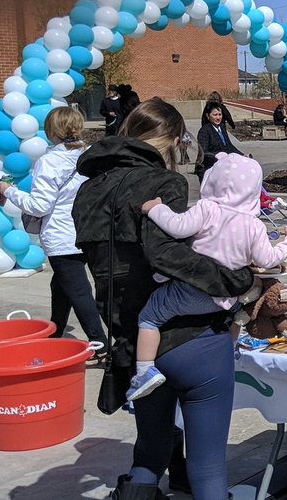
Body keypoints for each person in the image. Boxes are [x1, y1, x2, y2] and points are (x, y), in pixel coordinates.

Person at [72, 98, 254, 500]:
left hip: (134, 341)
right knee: (208, 465)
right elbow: (164, 255)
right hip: (190, 340)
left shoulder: (87, 191)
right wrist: (236, 279)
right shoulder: (163, 183)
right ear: (171, 140)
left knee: (148, 454)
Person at [129, 153, 287, 402]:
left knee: (149, 317)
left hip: (190, 291)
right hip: (229, 298)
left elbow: (176, 226)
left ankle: (144, 371)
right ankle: (228, 352)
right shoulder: (253, 225)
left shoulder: (206, 209)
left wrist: (155, 208)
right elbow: (268, 260)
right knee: (236, 317)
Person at [0, 107, 105, 353]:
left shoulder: (49, 161)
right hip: (87, 230)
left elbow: (40, 205)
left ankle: (100, 345)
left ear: (50, 131)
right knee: (61, 285)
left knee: (78, 291)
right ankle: (56, 330)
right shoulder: (89, 156)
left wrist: (9, 192)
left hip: (61, 235)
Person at [196, 100, 242, 178]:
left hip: (224, 168)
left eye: (220, 115)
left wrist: (242, 155)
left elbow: (229, 146)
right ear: (208, 116)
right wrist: (219, 156)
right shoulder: (204, 131)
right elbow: (204, 152)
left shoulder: (222, 127)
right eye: (215, 115)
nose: (218, 117)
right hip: (210, 170)